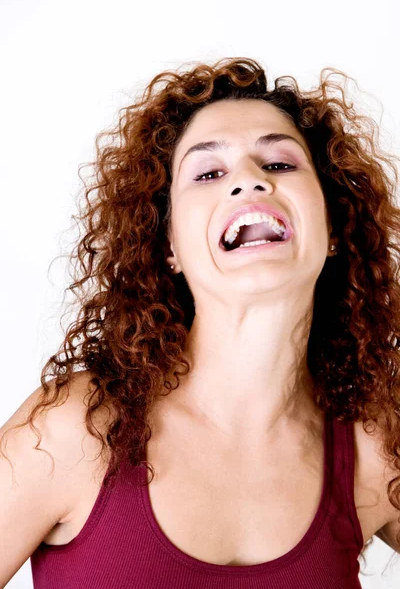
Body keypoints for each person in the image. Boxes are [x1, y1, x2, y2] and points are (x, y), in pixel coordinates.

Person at [1, 57, 400, 589]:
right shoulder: (75, 429)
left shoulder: (373, 446)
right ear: (170, 247)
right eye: (209, 173)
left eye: (279, 164)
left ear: (332, 224)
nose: (249, 182)